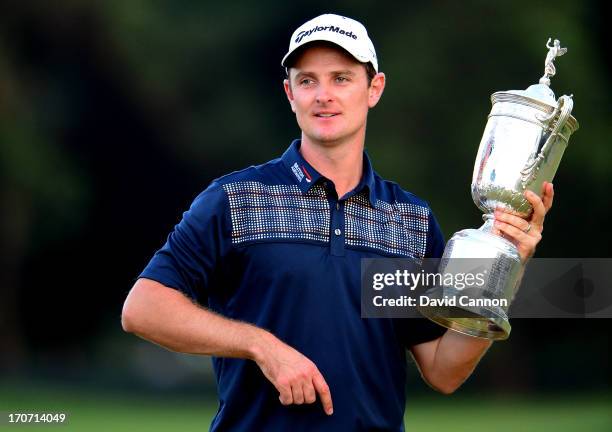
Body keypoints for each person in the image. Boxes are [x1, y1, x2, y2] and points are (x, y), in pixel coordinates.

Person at [121, 13, 553, 431]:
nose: (323, 95)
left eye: (341, 78)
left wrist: (505, 264)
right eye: (307, 81)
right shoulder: (234, 199)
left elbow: (444, 371)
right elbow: (143, 308)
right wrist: (261, 346)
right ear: (290, 94)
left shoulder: (410, 220)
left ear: (374, 88)